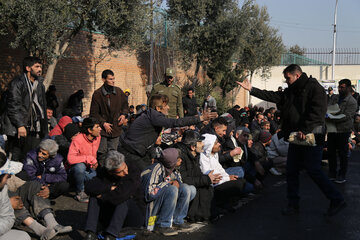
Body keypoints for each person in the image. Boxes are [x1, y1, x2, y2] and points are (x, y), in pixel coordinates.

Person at [237, 64, 345, 216]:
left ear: (297, 76)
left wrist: (304, 129)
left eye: (288, 78)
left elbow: (318, 113)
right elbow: (275, 96)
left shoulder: (315, 88)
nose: (286, 81)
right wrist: (252, 90)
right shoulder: (292, 91)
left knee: (313, 169)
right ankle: (293, 204)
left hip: (312, 136)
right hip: (297, 136)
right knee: (292, 169)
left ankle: (337, 199)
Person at [119, 94, 217, 170]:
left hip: (139, 152)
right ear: (158, 108)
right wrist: (200, 118)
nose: (168, 108)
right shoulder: (154, 116)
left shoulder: (151, 116)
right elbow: (175, 122)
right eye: (166, 105)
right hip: (131, 153)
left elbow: (149, 140)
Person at [84, 151, 145, 240]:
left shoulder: (133, 171)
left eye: (125, 167)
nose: (126, 172)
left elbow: (121, 195)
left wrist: (103, 196)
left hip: (133, 216)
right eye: (121, 171)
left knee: (124, 199)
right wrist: (110, 187)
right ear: (111, 172)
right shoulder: (105, 172)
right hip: (113, 214)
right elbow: (89, 187)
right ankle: (90, 232)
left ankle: (111, 235)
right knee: (94, 197)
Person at [141, 148, 196, 236]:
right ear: (171, 161)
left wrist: (176, 182)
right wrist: (167, 183)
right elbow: (149, 194)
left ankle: (177, 221)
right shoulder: (156, 169)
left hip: (163, 200)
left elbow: (179, 184)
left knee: (190, 189)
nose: (181, 161)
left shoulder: (174, 168)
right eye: (178, 159)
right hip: (150, 206)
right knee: (172, 189)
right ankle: (162, 225)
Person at [2, 57, 48, 161]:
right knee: (15, 155)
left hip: (33, 126)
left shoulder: (39, 84)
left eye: (40, 66)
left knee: (29, 155)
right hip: (17, 126)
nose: (40, 69)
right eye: (36, 66)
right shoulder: (17, 83)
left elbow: (42, 106)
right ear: (28, 68)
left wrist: (44, 127)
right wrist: (20, 125)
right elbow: (14, 106)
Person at [175, 130, 216, 222]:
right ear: (193, 147)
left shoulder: (195, 155)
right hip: (178, 186)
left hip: (187, 183)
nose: (203, 144)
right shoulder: (181, 157)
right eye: (200, 142)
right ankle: (180, 218)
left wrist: (208, 178)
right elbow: (184, 179)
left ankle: (203, 215)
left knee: (207, 187)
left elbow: (195, 174)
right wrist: (206, 179)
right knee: (192, 189)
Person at [90, 70, 129, 161]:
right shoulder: (97, 94)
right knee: (102, 153)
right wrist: (103, 123)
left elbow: (125, 105)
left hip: (116, 127)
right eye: (110, 79)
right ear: (104, 79)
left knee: (113, 153)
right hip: (102, 130)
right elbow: (93, 113)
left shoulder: (119, 91)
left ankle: (111, 173)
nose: (113, 81)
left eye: (113, 79)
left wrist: (123, 115)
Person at [326, 79, 357, 183]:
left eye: (342, 87)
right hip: (332, 129)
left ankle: (342, 174)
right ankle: (332, 173)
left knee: (343, 154)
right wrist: (329, 114)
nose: (339, 89)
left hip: (343, 130)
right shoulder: (335, 97)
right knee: (331, 153)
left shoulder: (352, 101)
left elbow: (346, 116)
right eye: (339, 87)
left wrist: (332, 117)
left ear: (348, 88)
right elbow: (328, 107)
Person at [67, 117, 101, 203]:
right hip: (74, 170)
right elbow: (70, 159)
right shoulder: (77, 139)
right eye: (97, 127)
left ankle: (84, 185)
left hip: (89, 169)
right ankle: (80, 192)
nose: (100, 129)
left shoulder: (98, 137)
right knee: (80, 167)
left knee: (98, 183)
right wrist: (89, 159)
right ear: (89, 130)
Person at [0, 150, 31, 240]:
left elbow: (8, 218)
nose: (9, 176)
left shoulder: (3, 188)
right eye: (7, 175)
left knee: (23, 237)